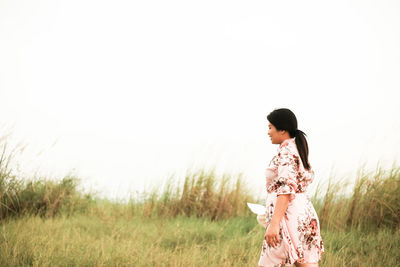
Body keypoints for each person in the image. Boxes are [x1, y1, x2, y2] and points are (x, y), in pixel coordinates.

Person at [257, 108, 324, 267]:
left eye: (270, 127)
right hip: (303, 215)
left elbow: (286, 189)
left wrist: (274, 224)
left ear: (283, 130)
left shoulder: (287, 152)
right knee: (305, 263)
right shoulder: (296, 149)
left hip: (288, 217)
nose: (268, 132)